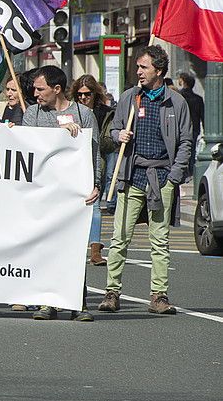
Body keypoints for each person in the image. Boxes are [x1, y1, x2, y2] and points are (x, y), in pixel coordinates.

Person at [99, 47, 194, 316]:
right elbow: (114, 129)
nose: (138, 72)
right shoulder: (130, 97)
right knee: (120, 238)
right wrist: (120, 136)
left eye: (144, 67)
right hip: (132, 175)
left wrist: (174, 176)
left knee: (159, 241)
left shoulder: (176, 103)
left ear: (159, 71)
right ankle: (112, 291)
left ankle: (159, 295)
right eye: (138, 67)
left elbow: (186, 140)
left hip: (161, 177)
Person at [21, 65, 99, 321]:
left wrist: (96, 184)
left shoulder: (84, 114)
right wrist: (60, 136)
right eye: (34, 88)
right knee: (47, 247)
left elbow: (94, 152)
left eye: (40, 89)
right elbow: (28, 144)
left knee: (74, 247)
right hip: (45, 190)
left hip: (75, 192)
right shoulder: (32, 113)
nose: (35, 93)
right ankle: (48, 302)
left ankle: (79, 303)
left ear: (57, 89)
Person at [73, 75, 115, 264]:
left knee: (95, 206)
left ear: (94, 93)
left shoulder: (105, 112)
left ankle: (95, 250)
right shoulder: (71, 110)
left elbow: (108, 143)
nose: (83, 98)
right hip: (73, 164)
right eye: (79, 94)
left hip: (96, 162)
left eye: (87, 94)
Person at [177, 71, 205, 155]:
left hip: (180, 128)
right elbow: (202, 116)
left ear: (183, 81)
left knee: (181, 151)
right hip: (194, 128)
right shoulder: (198, 99)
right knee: (192, 151)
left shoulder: (178, 96)